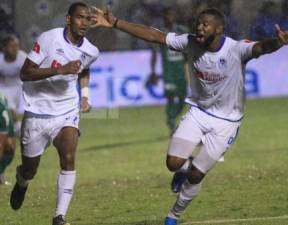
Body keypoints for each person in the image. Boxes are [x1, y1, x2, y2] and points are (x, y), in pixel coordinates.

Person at [92, 6, 288, 225]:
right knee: (173, 163)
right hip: (199, 112)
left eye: (205, 24)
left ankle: (173, 216)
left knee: (196, 176)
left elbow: (261, 48)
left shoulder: (236, 49)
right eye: (198, 23)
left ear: (219, 29)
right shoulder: (189, 42)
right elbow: (155, 35)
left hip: (227, 123)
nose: (200, 28)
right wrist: (117, 22)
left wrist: (278, 42)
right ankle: (185, 168)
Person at [9, 2, 99, 225]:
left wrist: (85, 95)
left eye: (88, 19)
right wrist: (59, 69)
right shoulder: (49, 38)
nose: (84, 23)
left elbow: (84, 68)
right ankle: (22, 181)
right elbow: (25, 73)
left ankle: (59, 217)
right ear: (68, 19)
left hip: (67, 111)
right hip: (37, 113)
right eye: (80, 17)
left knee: (68, 156)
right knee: (30, 169)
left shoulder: (91, 51)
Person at [146, 7, 188, 135]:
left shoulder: (182, 31)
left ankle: (172, 117)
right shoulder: (160, 33)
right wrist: (152, 71)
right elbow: (154, 52)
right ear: (164, 16)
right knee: (170, 97)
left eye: (173, 14)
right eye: (168, 15)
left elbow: (189, 50)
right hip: (168, 73)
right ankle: (171, 122)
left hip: (180, 71)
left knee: (183, 99)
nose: (170, 17)